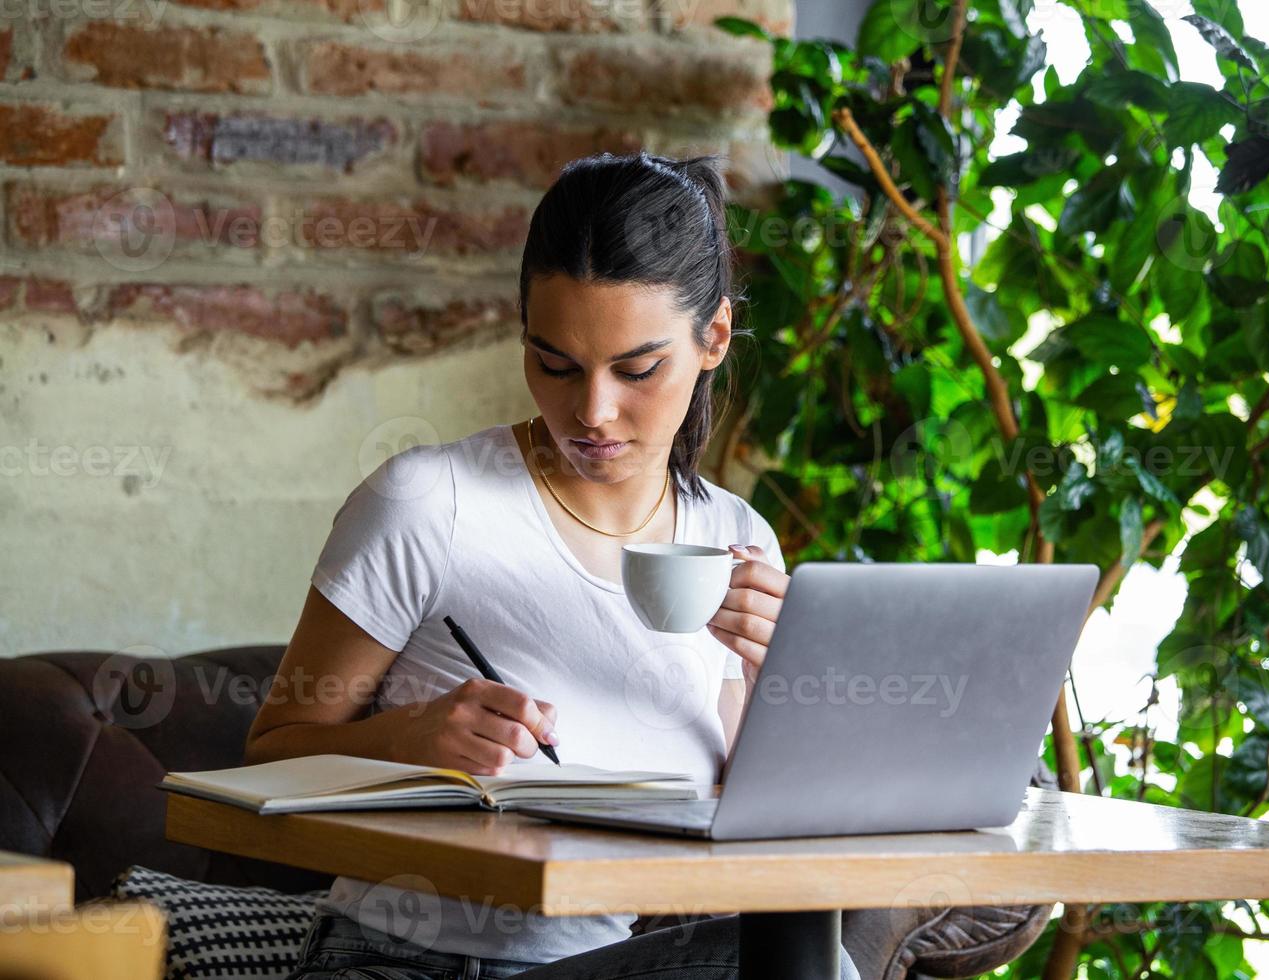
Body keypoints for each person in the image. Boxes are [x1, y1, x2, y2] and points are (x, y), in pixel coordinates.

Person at [244, 151, 861, 980]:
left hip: (608, 957)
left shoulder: (734, 537)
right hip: (412, 958)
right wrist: (413, 739)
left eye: (638, 370)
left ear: (713, 337)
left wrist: (772, 676)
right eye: (555, 364)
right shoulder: (429, 502)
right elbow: (269, 756)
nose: (591, 412)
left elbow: (750, 824)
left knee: (795, 953)